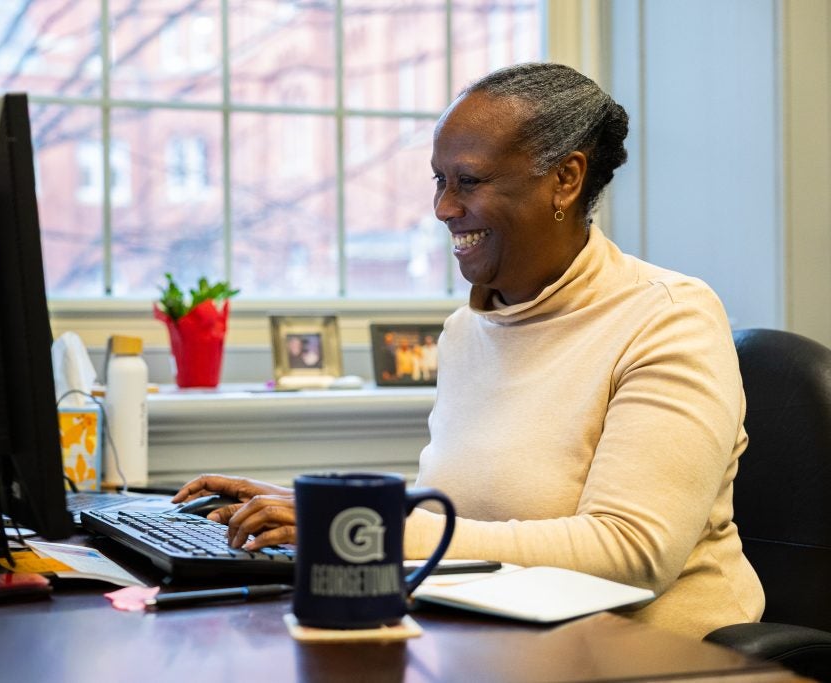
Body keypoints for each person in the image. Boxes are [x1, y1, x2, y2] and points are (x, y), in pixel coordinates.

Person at [173, 62, 763, 639]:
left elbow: (630, 550)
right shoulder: (466, 331)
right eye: (439, 180)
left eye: (469, 181)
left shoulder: (668, 316)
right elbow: (470, 511)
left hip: (653, 654)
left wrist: (360, 528)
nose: (443, 208)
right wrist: (310, 505)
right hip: (496, 639)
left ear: (566, 178)